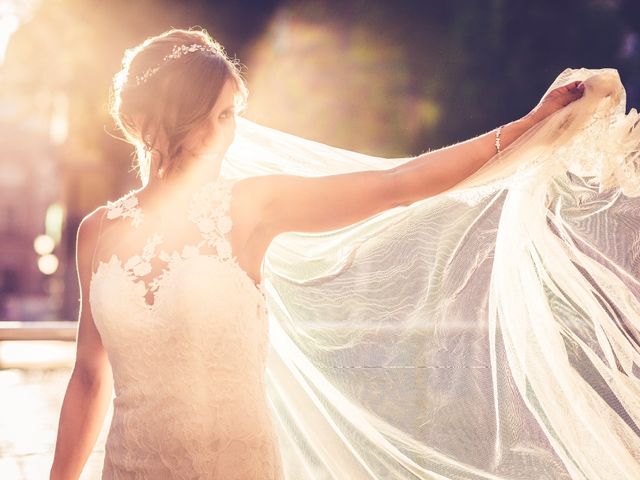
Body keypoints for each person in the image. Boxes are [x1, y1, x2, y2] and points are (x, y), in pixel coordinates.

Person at [49, 26, 586, 480]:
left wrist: (528, 125)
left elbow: (398, 183)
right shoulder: (98, 232)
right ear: (166, 122)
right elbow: (89, 378)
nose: (226, 134)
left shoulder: (251, 206)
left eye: (231, 115)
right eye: (214, 117)